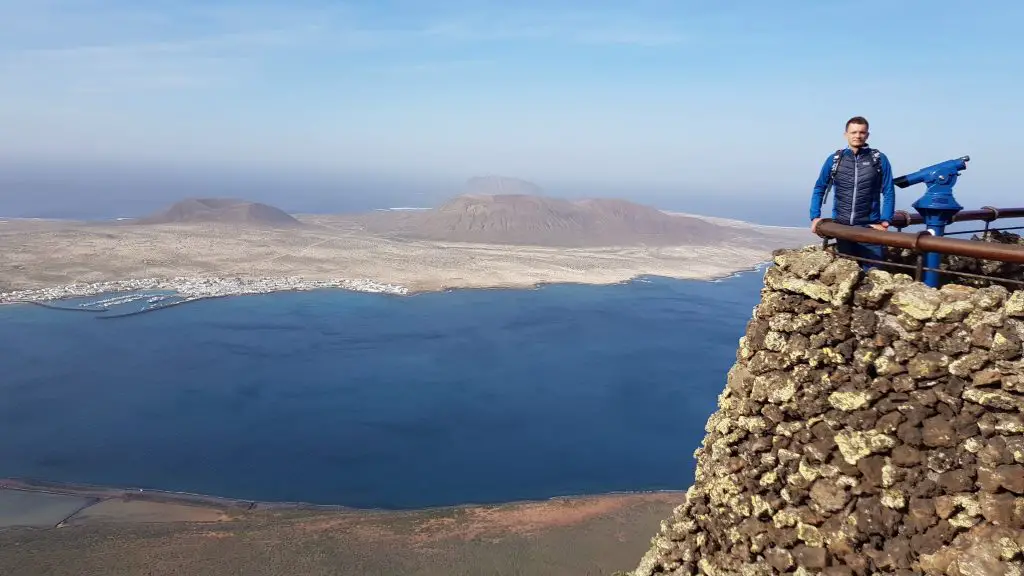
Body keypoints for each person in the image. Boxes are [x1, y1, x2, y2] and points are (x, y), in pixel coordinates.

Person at [809, 116, 895, 267]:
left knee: (873, 275)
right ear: (846, 134)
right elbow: (819, 187)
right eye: (853, 132)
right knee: (847, 277)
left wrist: (886, 221)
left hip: (869, 229)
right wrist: (815, 217)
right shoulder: (835, 160)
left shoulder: (879, 159)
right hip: (842, 229)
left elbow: (888, 190)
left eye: (862, 132)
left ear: (867, 135)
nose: (857, 136)